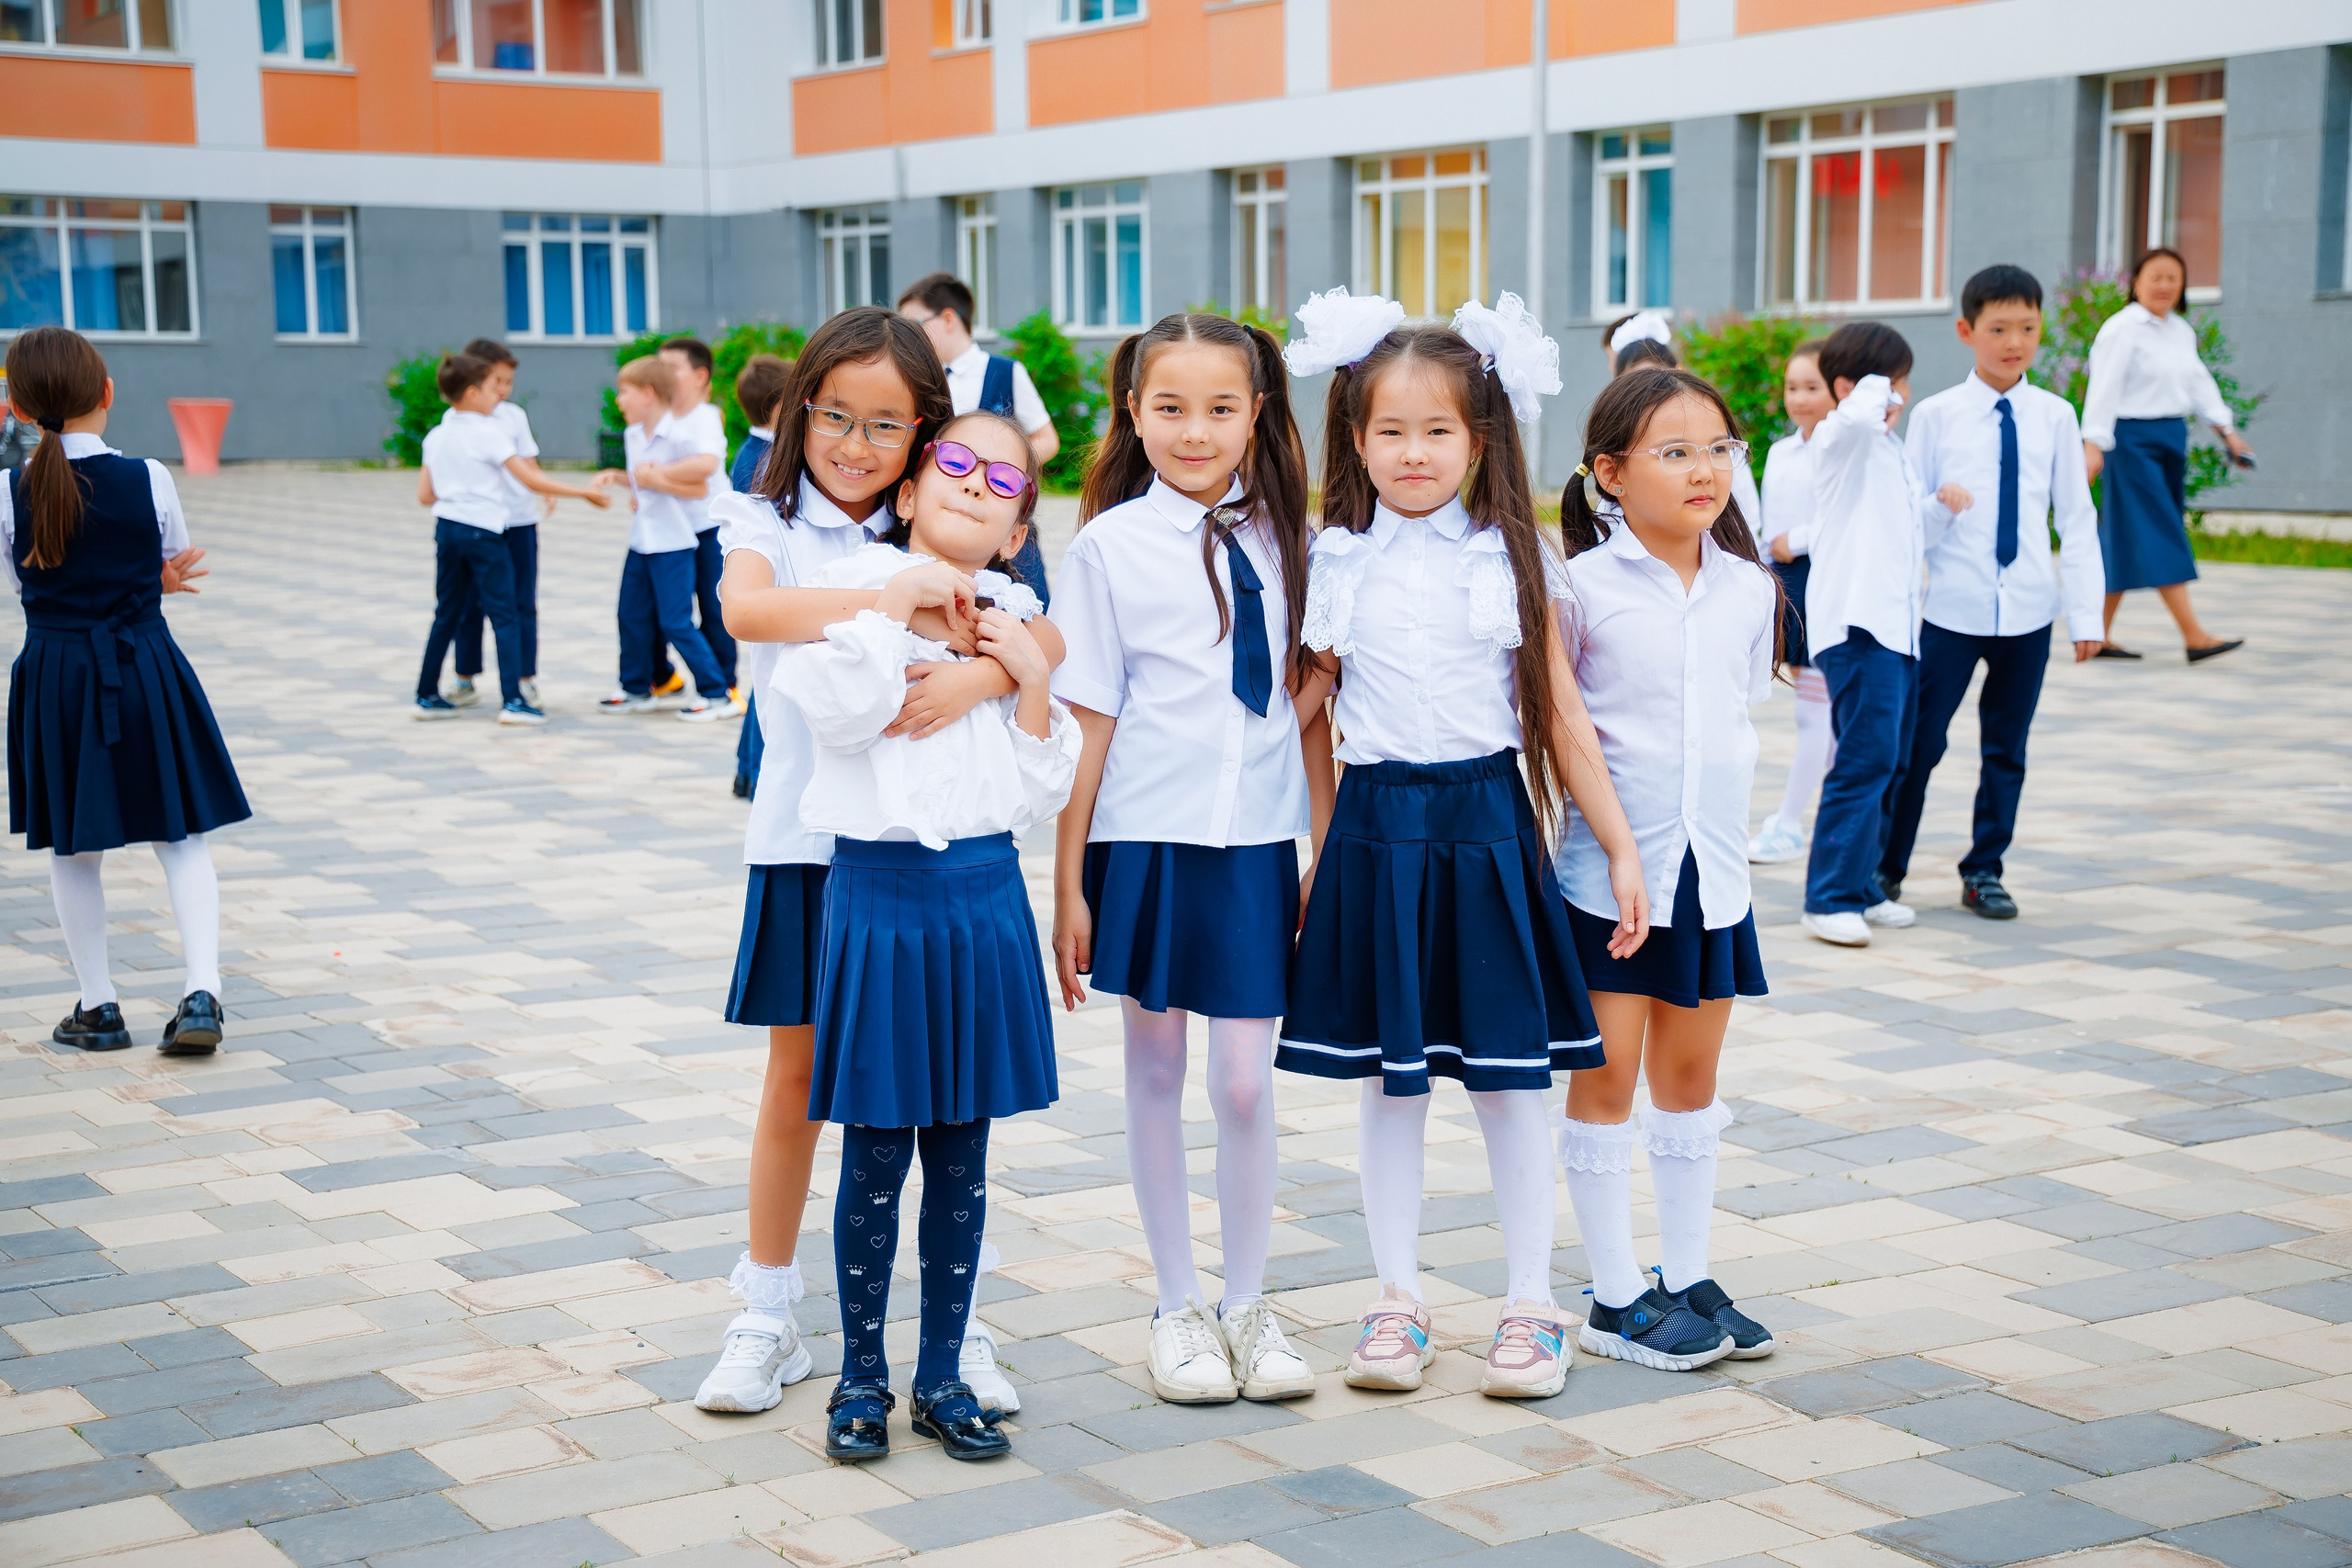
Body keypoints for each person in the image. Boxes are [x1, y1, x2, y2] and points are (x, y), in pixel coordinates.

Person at [1278, 290, 1649, 1402]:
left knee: (1508, 1081)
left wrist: (1620, 852)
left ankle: (1530, 1304)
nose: (1412, 451)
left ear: (1478, 439)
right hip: (1375, 836)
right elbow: (1310, 716)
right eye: (1388, 430)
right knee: (1390, 1087)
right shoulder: (1331, 560)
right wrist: (1315, 847)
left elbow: (1564, 719)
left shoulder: (1514, 558)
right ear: (1353, 437)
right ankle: (1396, 1298)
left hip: (1489, 828)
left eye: (1437, 430)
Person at [698, 308, 1059, 1420]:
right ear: (800, 409)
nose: (855, 444)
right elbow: (747, 608)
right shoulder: (767, 516)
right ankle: (767, 1313)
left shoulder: (965, 534)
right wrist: (891, 597)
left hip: (932, 867)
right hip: (805, 854)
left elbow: (1035, 643)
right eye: (836, 418)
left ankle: (952, 1331)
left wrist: (987, 676)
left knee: (939, 1101)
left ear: (924, 445)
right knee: (802, 1083)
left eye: (888, 427)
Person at [786, 409, 1079, 1465]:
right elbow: (842, 715)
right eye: (952, 462)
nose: (974, 481)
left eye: (1002, 479)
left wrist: (1025, 679)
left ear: (1014, 530)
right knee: (873, 1154)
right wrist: (895, 612)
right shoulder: (852, 604)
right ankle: (859, 1375)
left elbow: (1040, 790)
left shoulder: (1019, 625)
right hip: (878, 898)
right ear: (906, 493)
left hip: (983, 897)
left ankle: (943, 1373)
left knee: (963, 1155)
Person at [1049, 313, 1320, 1406]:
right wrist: (1065, 883)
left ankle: (1248, 1303)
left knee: (1246, 1085)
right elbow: (1090, 722)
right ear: (1132, 412)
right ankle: (1177, 1308)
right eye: (1170, 407)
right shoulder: (1108, 547)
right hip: (1147, 840)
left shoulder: (1301, 538)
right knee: (1156, 1074)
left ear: (1258, 412)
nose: (1195, 430)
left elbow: (1305, 709)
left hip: (1256, 844)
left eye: (1220, 407)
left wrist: (1323, 849)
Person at [1556, 366, 1778, 1372]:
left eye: (1719, 449)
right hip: (1610, 881)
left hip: (1712, 875)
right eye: (1674, 451)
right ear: (1609, 472)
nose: (1704, 470)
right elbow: (1564, 734)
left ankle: (1684, 1275)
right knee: (1604, 1082)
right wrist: (1611, 846)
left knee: (1689, 1080)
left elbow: (1735, 720)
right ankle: (1611, 1294)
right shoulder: (1577, 587)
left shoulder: (1748, 587)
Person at [6, 326, 247, 1055]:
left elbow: (22, 584)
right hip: (145, 663)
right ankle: (202, 992)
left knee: (74, 850)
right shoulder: (151, 476)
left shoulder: (8, 490)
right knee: (180, 835)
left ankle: (98, 1005)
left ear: (16, 406)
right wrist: (155, 583)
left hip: (56, 674)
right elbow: (164, 558)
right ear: (107, 394)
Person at [1881, 265, 2103, 922]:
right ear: (1966, 330)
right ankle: (1886, 867)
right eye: (1999, 328)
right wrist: (1941, 511)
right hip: (1952, 609)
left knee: (2007, 747)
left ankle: (1984, 868)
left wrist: (2086, 612)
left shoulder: (2057, 416)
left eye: (2028, 328)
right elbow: (1907, 521)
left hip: (2030, 611)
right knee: (1919, 744)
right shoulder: (1937, 416)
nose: (2015, 342)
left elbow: (2077, 517)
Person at [1798, 322, 1969, 948]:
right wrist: (1870, 389)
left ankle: (1862, 884)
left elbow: (1907, 537)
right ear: (1855, 386)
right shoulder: (1840, 440)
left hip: (1896, 632)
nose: (1902, 395)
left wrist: (1942, 508)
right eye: (1894, 383)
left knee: (1889, 760)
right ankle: (1828, 897)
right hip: (1857, 627)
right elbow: (1856, 419)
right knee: (1864, 760)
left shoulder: (1890, 452)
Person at [416, 352, 609, 725]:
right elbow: (531, 480)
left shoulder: (437, 435)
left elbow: (425, 496)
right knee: (506, 614)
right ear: (473, 393)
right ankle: (513, 701)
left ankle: (425, 695)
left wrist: (458, 490)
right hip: (483, 532)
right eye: (492, 388)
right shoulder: (489, 432)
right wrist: (583, 493)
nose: (499, 396)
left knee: (447, 612)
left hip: (447, 529)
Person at [2081, 246, 2250, 663]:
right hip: (2131, 440)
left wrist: (2228, 434)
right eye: (2154, 276)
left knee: (2124, 537)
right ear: (2135, 283)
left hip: (2170, 437)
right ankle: (2193, 636)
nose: (2163, 285)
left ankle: (2096, 635)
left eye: (2172, 278)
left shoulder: (2179, 331)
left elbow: (2199, 384)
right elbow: (2104, 389)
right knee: (2162, 531)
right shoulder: (2121, 329)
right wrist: (2093, 444)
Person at [899, 273, 1057, 606]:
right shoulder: (919, 379)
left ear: (947, 318)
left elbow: (1047, 438)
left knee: (1027, 616)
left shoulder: (1005, 371)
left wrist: (1001, 476)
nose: (908, 338)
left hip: (995, 525)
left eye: (914, 325)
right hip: (940, 522)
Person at [593, 356, 731, 721]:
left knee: (675, 621)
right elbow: (640, 480)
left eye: (625, 392)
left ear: (648, 394)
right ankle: (636, 688)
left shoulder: (680, 435)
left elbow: (700, 485)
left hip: (674, 542)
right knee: (630, 615)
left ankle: (717, 694)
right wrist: (620, 479)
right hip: (642, 539)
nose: (619, 400)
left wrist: (659, 481)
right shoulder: (632, 434)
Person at [1747, 341, 1836, 864]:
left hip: (1827, 580)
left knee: (1816, 713)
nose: (1799, 398)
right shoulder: (1782, 451)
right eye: (1792, 387)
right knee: (1815, 708)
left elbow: (1845, 518)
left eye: (1812, 387)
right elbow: (1766, 523)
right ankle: (1806, 820)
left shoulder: (1842, 448)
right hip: (1788, 586)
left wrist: (1796, 540)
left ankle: (1790, 821)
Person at [446, 339, 548, 712]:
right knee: (470, 604)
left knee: (521, 603)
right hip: (479, 525)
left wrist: (547, 491)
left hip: (518, 521)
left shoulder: (513, 416)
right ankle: (465, 677)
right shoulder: (457, 419)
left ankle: (524, 679)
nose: (504, 390)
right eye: (498, 382)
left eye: (508, 382)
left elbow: (529, 462)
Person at [650, 335, 743, 714]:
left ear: (700, 375)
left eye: (672, 368)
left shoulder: (704, 416)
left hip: (708, 526)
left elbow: (706, 464)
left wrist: (657, 475)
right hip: (671, 530)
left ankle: (727, 684)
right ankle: (662, 677)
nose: (663, 376)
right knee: (667, 611)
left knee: (713, 605)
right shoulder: (662, 417)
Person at [727, 352, 794, 800]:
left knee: (765, 682)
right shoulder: (766, 460)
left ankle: (746, 770)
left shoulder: (752, 453)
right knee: (771, 684)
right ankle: (753, 771)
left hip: (765, 590)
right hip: (768, 588)